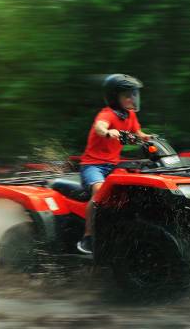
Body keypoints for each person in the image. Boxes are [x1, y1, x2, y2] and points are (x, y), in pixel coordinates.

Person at [77, 74, 150, 254]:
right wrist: (109, 132)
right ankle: (88, 237)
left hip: (113, 165)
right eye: (127, 95)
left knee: (134, 187)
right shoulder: (107, 114)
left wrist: (147, 138)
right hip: (93, 165)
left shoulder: (130, 115)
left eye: (133, 94)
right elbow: (100, 127)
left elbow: (138, 133)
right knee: (100, 192)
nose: (132, 98)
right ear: (114, 96)